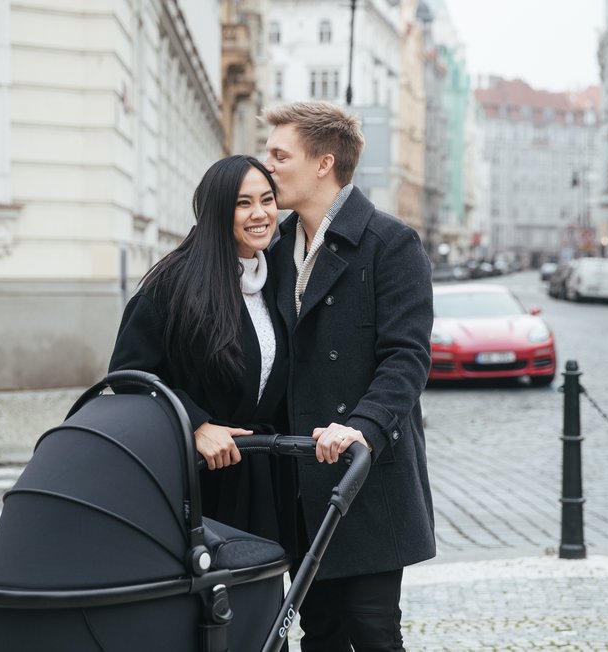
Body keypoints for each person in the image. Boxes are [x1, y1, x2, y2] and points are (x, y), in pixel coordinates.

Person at [262, 101, 434, 651]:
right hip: (298, 471)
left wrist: (361, 426)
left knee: (373, 628)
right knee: (322, 632)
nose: (267, 168)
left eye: (279, 155)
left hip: (364, 470)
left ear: (323, 163)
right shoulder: (272, 250)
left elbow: (407, 357)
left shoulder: (390, 243)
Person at [108, 155, 297, 555]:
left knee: (260, 601)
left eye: (267, 200)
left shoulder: (276, 279)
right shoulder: (176, 283)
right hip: (200, 482)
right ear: (217, 210)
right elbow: (127, 377)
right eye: (243, 203)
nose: (260, 214)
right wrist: (194, 425)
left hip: (262, 477)